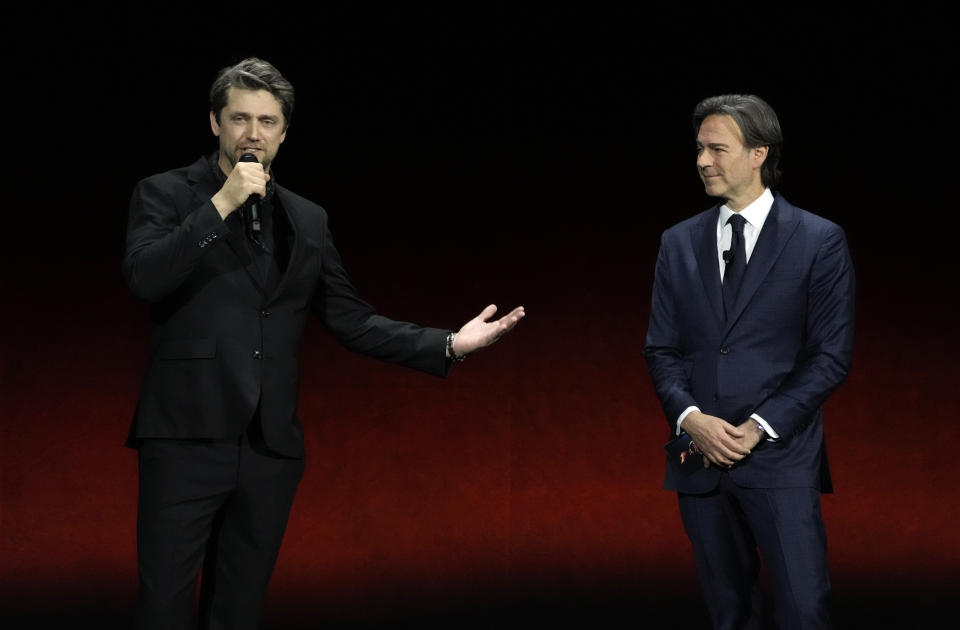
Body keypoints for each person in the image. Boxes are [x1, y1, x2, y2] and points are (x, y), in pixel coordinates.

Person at [122, 57, 525, 630]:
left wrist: (449, 345)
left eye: (267, 122)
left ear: (284, 133)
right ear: (215, 122)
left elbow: (351, 319)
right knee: (163, 608)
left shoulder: (307, 219)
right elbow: (145, 277)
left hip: (270, 449)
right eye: (239, 118)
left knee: (238, 611)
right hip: (185, 437)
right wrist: (221, 204)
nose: (252, 134)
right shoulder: (165, 193)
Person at [643, 94, 854, 629]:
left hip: (779, 460)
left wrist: (758, 428)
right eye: (698, 149)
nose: (702, 161)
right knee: (728, 615)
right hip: (701, 460)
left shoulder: (818, 240)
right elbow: (662, 349)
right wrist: (692, 420)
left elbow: (830, 356)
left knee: (804, 611)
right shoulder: (678, 242)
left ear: (759, 152)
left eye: (717, 148)